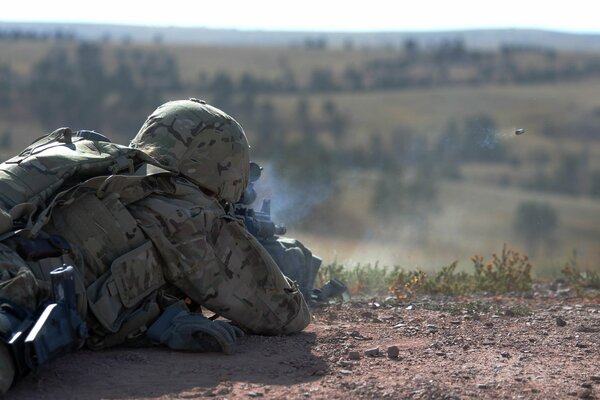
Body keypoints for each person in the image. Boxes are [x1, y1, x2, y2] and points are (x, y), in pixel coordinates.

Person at [0, 99, 317, 393]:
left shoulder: (97, 159)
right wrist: (272, 256)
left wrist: (160, 317)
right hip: (16, 283)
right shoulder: (186, 212)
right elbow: (283, 313)